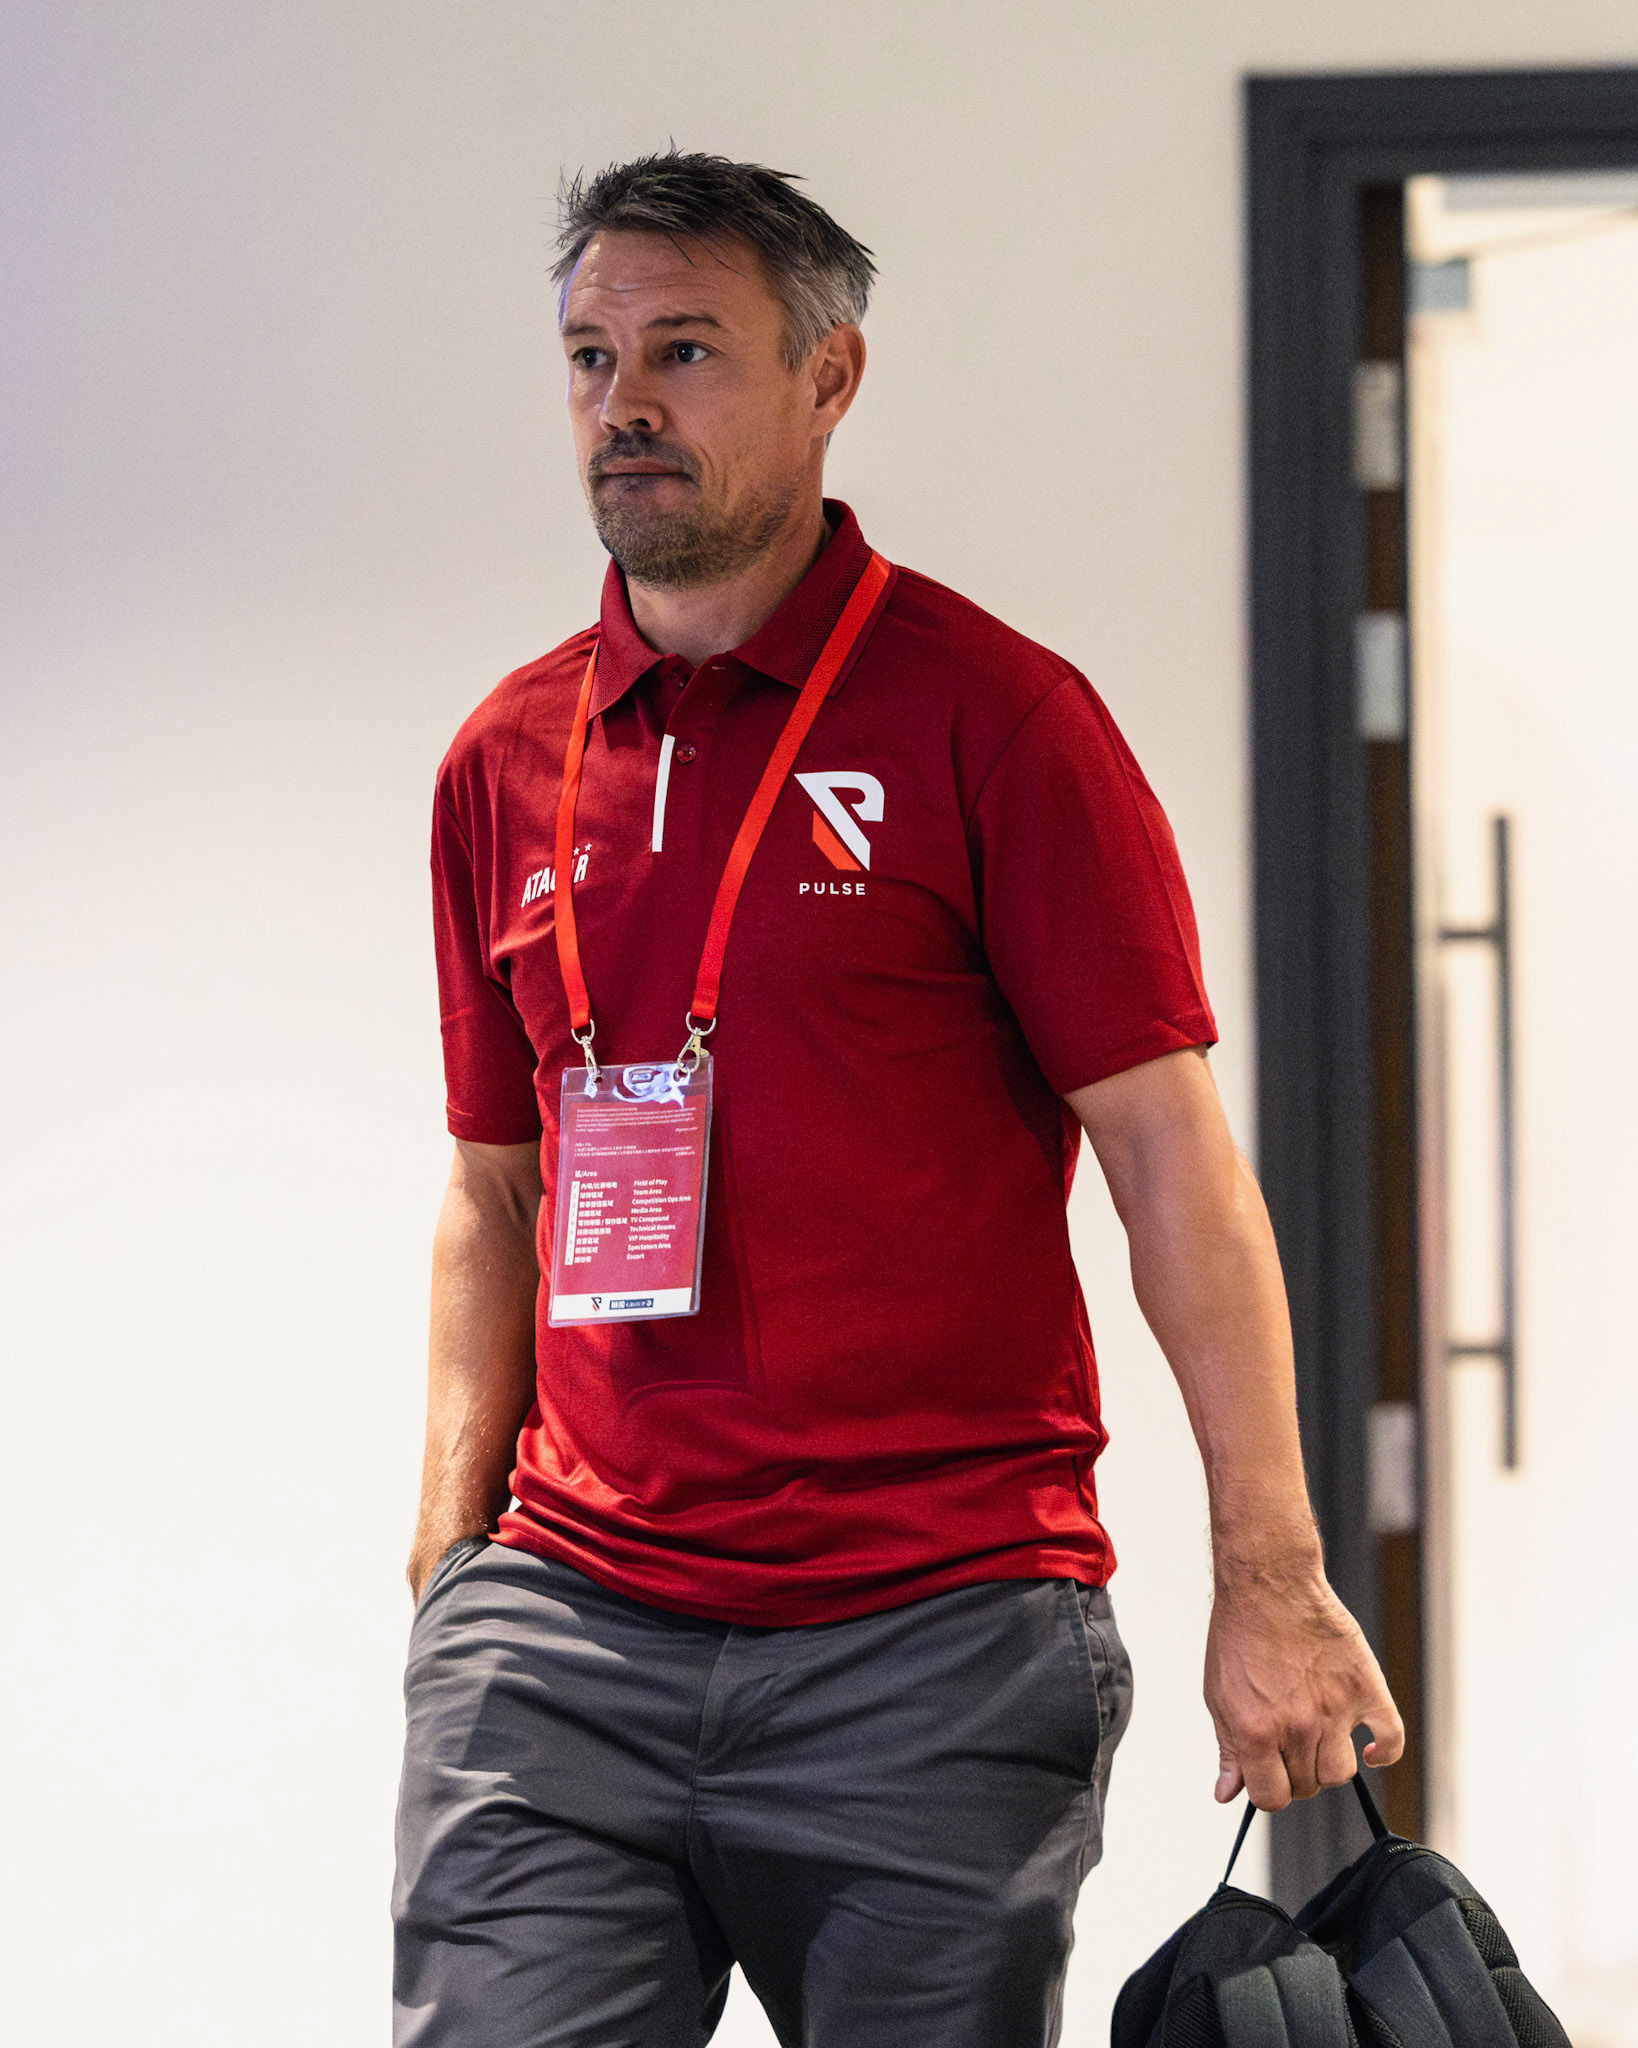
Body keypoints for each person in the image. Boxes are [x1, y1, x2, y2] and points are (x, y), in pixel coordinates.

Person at [394, 151, 1403, 2048]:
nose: (625, 405)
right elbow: (493, 1191)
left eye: (684, 350)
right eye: (590, 356)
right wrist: (455, 1570)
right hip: (567, 1641)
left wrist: (1269, 1573)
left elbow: (1170, 1161)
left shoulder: (993, 720)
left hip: (930, 1645)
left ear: (829, 376)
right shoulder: (503, 763)